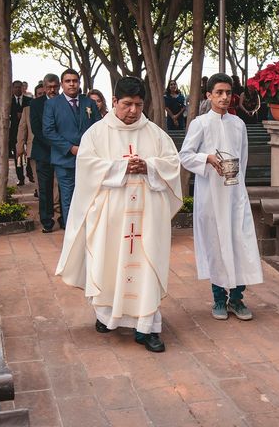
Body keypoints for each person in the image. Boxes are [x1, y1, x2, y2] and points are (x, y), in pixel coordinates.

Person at [55, 76, 182, 353]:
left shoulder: (156, 134)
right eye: (127, 104)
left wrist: (148, 165)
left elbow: (173, 164)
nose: (133, 111)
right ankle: (106, 317)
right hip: (111, 218)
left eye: (138, 105)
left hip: (147, 218)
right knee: (109, 263)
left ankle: (146, 327)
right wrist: (122, 168)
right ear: (114, 102)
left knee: (146, 266)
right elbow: (87, 167)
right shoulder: (96, 133)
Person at [179, 73, 263, 321]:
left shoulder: (238, 124)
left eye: (228, 93)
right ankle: (218, 299)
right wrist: (206, 158)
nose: (224, 97)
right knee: (215, 245)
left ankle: (237, 299)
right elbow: (185, 155)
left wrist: (240, 186)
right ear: (209, 95)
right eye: (219, 93)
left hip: (235, 193)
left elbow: (243, 157)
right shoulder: (200, 124)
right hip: (210, 195)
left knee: (240, 244)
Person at [43, 68, 102, 223]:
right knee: (68, 198)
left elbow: (99, 128)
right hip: (65, 160)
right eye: (68, 81)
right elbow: (48, 131)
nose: (72, 84)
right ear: (62, 84)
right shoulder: (52, 104)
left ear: (79, 83)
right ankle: (72, 234)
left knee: (90, 197)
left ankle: (89, 232)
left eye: (75, 81)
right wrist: (70, 148)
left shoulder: (88, 102)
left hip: (89, 159)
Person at [30, 73, 62, 232]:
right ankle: (47, 221)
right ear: (44, 87)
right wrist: (57, 144)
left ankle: (64, 217)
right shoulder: (35, 104)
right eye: (49, 87)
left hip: (64, 152)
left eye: (55, 86)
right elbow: (36, 129)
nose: (52, 90)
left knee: (64, 187)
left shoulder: (65, 102)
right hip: (43, 152)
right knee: (45, 188)